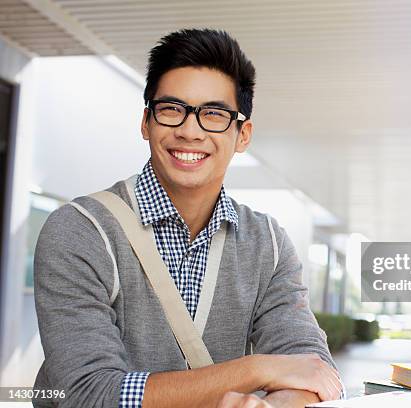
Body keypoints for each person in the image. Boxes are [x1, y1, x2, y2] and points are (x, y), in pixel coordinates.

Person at [33, 28, 343, 408]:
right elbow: (87, 394)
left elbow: (311, 367)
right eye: (171, 109)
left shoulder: (269, 243)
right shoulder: (81, 231)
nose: (189, 130)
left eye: (213, 114)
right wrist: (254, 371)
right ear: (146, 121)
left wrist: (273, 405)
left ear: (242, 134)